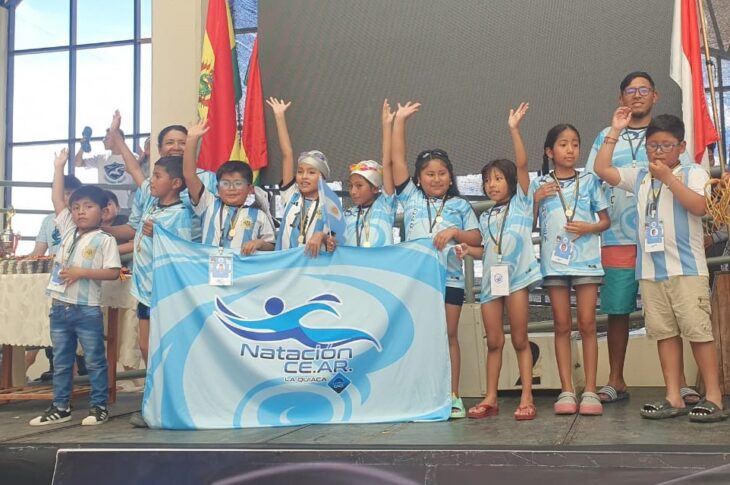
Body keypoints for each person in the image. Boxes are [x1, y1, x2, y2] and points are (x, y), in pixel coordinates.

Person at [592, 111, 726, 422]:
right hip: (651, 271)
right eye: (653, 145)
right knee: (665, 334)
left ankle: (714, 397)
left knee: (698, 332)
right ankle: (673, 396)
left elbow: (700, 207)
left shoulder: (693, 172)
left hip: (687, 269)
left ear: (682, 146)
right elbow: (602, 169)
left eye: (666, 145)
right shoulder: (640, 175)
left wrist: (668, 178)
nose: (659, 152)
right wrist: (614, 131)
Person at [584, 72, 699, 405]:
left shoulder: (668, 134)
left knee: (673, 309)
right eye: (630, 90)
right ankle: (616, 380)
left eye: (643, 89)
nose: (637, 95)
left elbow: (688, 179)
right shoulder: (606, 135)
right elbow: (593, 178)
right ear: (621, 97)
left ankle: (679, 384)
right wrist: (598, 223)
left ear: (655, 96)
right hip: (618, 236)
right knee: (617, 310)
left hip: (666, 240)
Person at [391, 101, 481, 419]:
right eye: (429, 174)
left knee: (448, 336)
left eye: (442, 173)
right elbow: (396, 159)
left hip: (450, 281)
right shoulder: (411, 198)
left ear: (450, 176)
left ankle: (452, 395)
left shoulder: (459, 205)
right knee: (417, 337)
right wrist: (400, 122)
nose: (437, 178)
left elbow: (477, 238)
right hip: (416, 283)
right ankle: (419, 396)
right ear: (418, 178)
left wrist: (455, 232)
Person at [457, 102, 542, 421]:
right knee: (493, 341)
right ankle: (490, 397)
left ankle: (526, 396)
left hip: (517, 280)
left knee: (520, 339)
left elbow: (523, 163)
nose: (491, 185)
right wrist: (468, 251)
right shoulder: (486, 216)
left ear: (510, 181)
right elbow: (487, 251)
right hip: (492, 284)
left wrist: (514, 129)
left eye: (497, 178)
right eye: (487, 180)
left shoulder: (522, 202)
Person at [29, 149, 121, 426]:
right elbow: (57, 199)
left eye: (88, 206)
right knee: (61, 360)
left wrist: (82, 272)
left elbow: (113, 272)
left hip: (87, 309)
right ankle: (60, 407)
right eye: (77, 207)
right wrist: (59, 167)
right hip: (59, 307)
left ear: (103, 212)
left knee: (94, 360)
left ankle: (99, 406)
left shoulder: (104, 240)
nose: (80, 211)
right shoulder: (68, 229)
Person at [529, 123, 610, 416]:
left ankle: (590, 389)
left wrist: (589, 227)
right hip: (554, 264)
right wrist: (536, 200)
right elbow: (528, 225)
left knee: (587, 323)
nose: (570, 150)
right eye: (563, 144)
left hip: (586, 260)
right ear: (549, 151)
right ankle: (566, 389)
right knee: (561, 325)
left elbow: (605, 221)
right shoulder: (539, 184)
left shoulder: (589, 180)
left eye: (575, 144)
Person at [182, 120, 276, 254]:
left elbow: (271, 245)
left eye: (238, 183)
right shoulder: (208, 204)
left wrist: (259, 243)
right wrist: (191, 140)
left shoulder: (259, 215)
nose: (231, 188)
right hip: (208, 265)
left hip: (243, 267)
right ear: (217, 188)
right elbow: (189, 175)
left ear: (250, 189)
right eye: (225, 184)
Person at [25, 175, 83, 380]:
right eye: (62, 193)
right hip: (51, 278)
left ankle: (74, 374)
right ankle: (20, 373)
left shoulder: (81, 220)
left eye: (70, 193)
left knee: (71, 330)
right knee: (40, 323)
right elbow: (38, 252)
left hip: (75, 278)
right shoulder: (48, 220)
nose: (65, 197)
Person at [266, 97, 332, 256]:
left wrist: (322, 236)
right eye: (300, 171)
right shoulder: (291, 195)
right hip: (283, 266)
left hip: (313, 268)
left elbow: (335, 241)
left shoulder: (330, 205)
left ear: (323, 177)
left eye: (312, 172)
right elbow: (287, 154)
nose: (304, 177)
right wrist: (279, 117)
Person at [340, 100, 397, 248]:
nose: (353, 191)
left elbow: (387, 162)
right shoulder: (347, 214)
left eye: (359, 186)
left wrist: (386, 126)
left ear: (375, 188)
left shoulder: (385, 205)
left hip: (380, 263)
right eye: (351, 186)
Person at [74, 126, 134, 208]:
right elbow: (78, 163)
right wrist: (82, 147)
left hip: (125, 208)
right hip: (103, 209)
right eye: (104, 138)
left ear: (118, 139)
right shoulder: (101, 158)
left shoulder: (133, 158)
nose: (103, 141)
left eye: (107, 138)